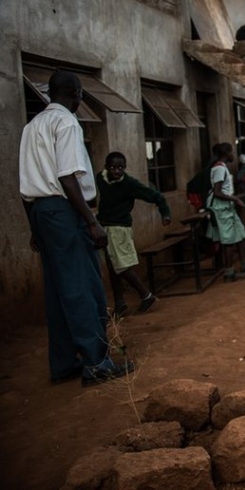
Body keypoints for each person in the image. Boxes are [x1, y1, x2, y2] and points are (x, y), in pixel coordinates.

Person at [19, 70, 134, 386]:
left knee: (58, 291)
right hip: (66, 211)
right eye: (81, 94)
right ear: (76, 93)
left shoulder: (32, 127)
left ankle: (65, 363)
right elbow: (68, 176)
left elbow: (27, 185)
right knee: (84, 288)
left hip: (42, 212)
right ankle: (96, 365)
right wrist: (91, 221)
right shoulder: (66, 122)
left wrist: (35, 227)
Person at [95, 151, 169, 317]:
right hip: (104, 227)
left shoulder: (129, 184)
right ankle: (120, 303)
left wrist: (165, 213)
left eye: (121, 168)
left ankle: (146, 295)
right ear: (106, 167)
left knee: (121, 266)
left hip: (119, 228)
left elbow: (155, 196)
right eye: (113, 167)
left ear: (125, 168)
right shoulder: (100, 178)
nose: (117, 171)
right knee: (113, 267)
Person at [206, 142, 245, 280]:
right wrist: (235, 199)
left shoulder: (223, 167)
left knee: (241, 233)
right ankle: (229, 272)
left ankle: (244, 263)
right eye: (231, 152)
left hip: (228, 207)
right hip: (222, 208)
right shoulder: (219, 169)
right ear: (226, 154)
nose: (233, 155)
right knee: (228, 240)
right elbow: (217, 192)